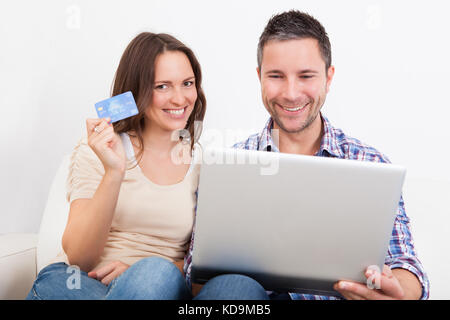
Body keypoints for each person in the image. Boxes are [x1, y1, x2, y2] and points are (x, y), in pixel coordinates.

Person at [184, 10, 430, 300]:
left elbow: (405, 263)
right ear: (259, 77)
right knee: (231, 289)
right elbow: (196, 280)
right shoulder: (229, 166)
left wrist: (398, 292)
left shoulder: (369, 163)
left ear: (329, 77)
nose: (290, 93)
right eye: (276, 76)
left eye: (306, 76)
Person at [26, 32, 267, 300]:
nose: (179, 99)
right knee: (151, 275)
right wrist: (114, 171)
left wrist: (141, 272)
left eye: (187, 83)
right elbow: (80, 258)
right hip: (86, 284)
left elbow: (207, 263)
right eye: (162, 86)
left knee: (230, 286)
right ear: (136, 91)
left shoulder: (205, 163)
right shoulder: (97, 150)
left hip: (164, 288)